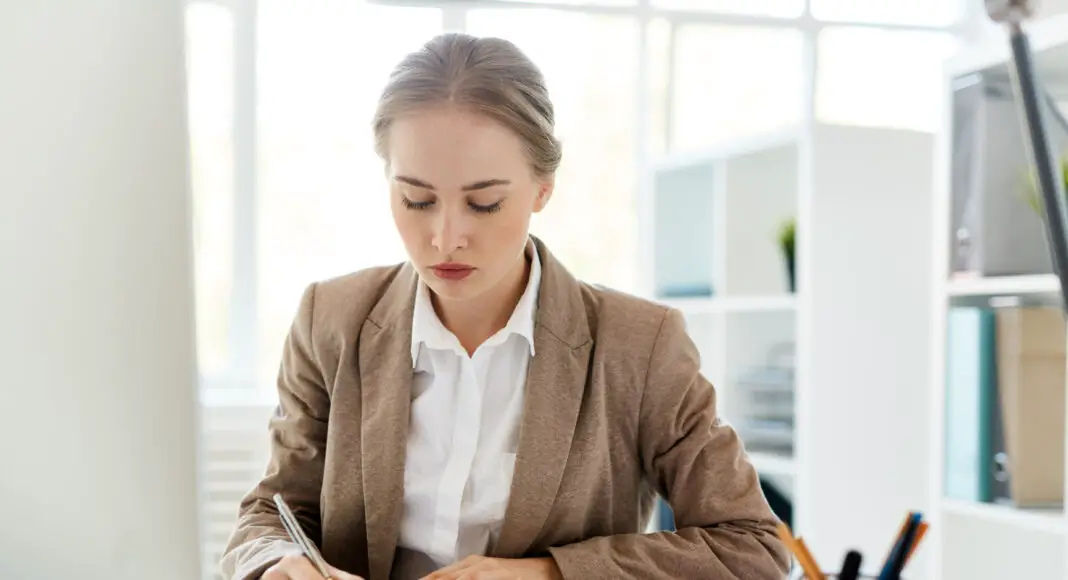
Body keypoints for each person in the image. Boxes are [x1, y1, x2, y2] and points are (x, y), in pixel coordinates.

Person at [220, 32, 790, 580]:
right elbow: (271, 513)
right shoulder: (332, 319)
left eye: (485, 203)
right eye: (415, 198)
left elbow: (751, 546)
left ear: (543, 189)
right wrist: (277, 563)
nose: (445, 238)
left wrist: (549, 573)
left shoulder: (638, 345)